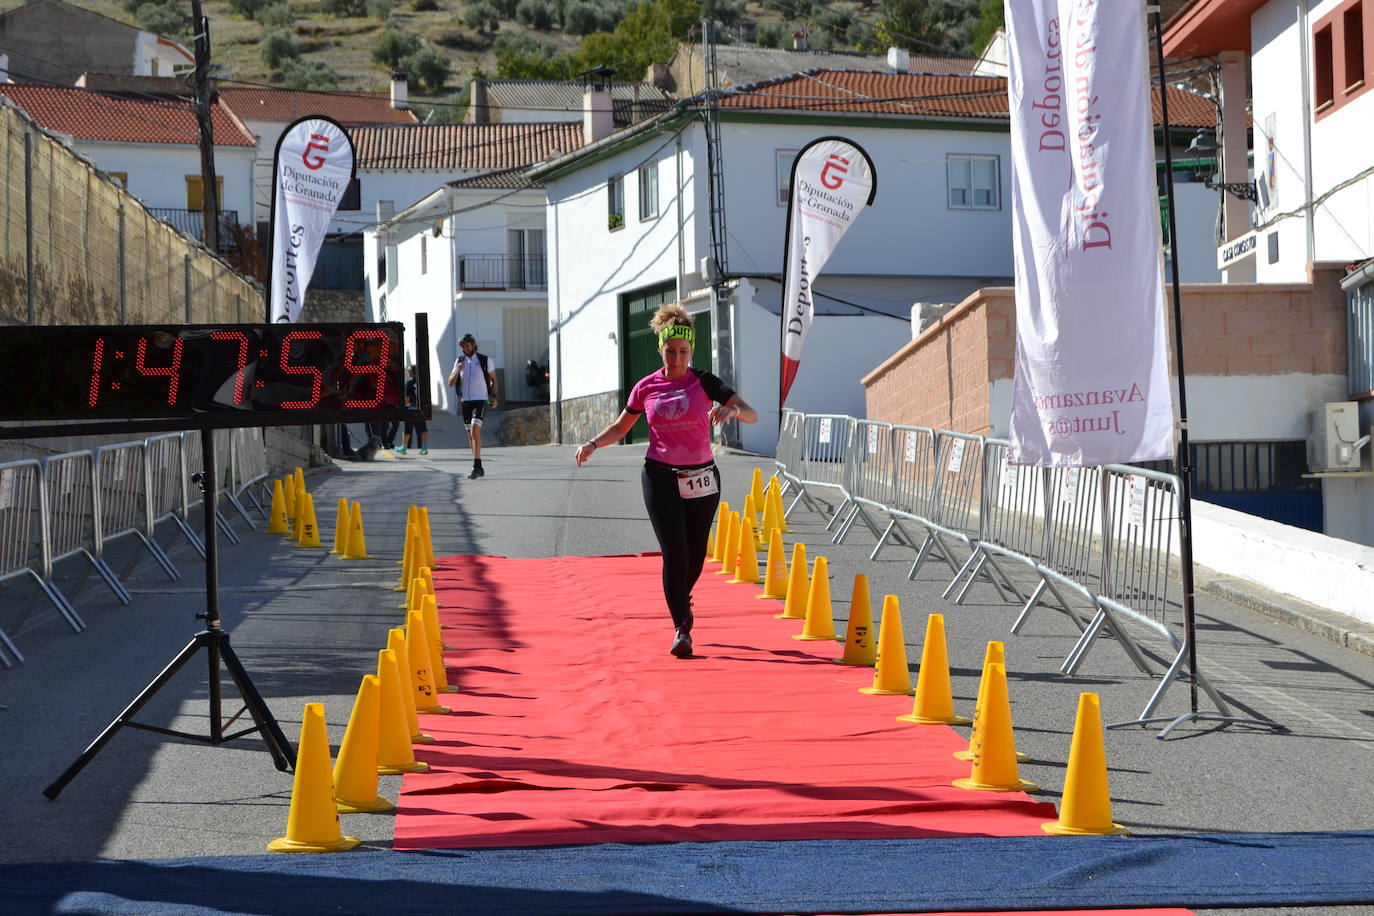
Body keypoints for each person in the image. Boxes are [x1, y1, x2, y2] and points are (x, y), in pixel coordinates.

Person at [574, 304, 756, 658]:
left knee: (696, 557)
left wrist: (732, 409)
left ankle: (680, 595)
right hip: (659, 477)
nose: (676, 358)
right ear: (661, 350)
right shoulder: (646, 386)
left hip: (702, 477)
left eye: (683, 352)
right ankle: (681, 627)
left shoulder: (705, 382)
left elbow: (751, 413)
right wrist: (593, 444)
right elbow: (622, 426)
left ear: (691, 352)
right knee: (675, 553)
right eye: (670, 352)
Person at [447, 333, 497, 479]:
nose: (466, 348)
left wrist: (493, 397)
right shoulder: (459, 361)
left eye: (468, 345)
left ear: (474, 344)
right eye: (463, 346)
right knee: (470, 436)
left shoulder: (484, 360)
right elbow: (450, 382)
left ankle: (476, 465)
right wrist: (457, 370)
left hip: (481, 400)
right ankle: (478, 465)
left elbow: (494, 379)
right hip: (466, 402)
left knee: (475, 432)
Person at [397, 365, 428, 455]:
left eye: (409, 370)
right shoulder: (422, 382)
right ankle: (424, 447)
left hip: (410, 408)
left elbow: (407, 397)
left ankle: (404, 447)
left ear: (414, 372)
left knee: (407, 429)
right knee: (423, 428)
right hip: (420, 408)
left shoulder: (409, 383)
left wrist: (404, 406)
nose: (408, 372)